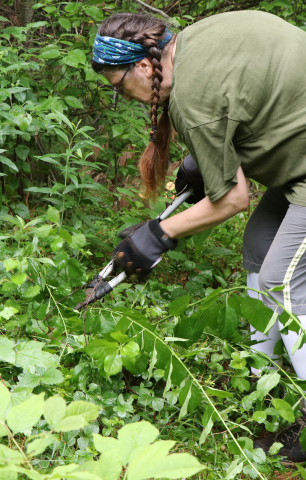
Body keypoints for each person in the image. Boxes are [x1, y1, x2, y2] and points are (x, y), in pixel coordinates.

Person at [91, 10, 306, 462]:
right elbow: (248, 99)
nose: (125, 97)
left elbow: (232, 200)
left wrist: (157, 235)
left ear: (145, 67)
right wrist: (205, 164)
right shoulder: (191, 43)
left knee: (282, 282)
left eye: (118, 86)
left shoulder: (190, 100)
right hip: (297, 159)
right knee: (259, 251)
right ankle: (260, 394)